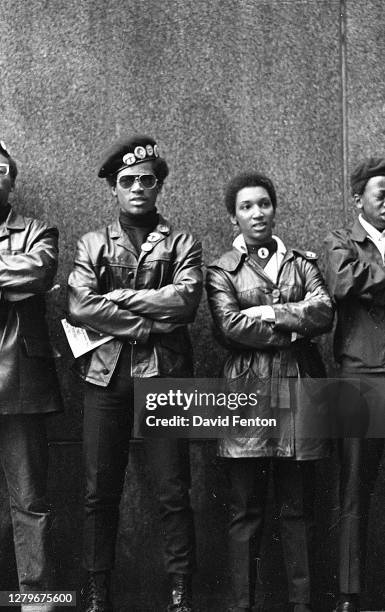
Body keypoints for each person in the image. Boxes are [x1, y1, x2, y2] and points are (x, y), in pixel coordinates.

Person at [67, 135, 202, 612]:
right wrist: (147, 324)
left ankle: (180, 592)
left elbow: (184, 302)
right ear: (114, 188)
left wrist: (117, 300)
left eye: (147, 180)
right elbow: (79, 305)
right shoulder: (91, 242)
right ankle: (96, 591)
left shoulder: (184, 242)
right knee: (98, 492)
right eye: (128, 181)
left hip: (166, 377)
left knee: (173, 490)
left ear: (159, 185)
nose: (138, 188)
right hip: (105, 379)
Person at [206, 171, 333, 612]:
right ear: (233, 218)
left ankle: (302, 606)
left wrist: (266, 311)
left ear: (274, 209)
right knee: (245, 512)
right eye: (246, 207)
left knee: (298, 511)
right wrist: (292, 326)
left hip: (298, 391)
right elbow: (229, 327)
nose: (257, 213)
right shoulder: (222, 270)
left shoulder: (303, 262)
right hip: (247, 396)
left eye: (263, 204)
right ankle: (241, 606)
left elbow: (323, 312)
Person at [0, 141, 61, 611]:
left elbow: (38, 273)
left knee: (29, 498)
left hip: (19, 381)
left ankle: (36, 602)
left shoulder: (38, 231)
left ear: (12, 180)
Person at [325, 157, 385, 612]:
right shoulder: (341, 240)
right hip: (360, 374)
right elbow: (344, 281)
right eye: (382, 193)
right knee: (353, 488)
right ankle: (349, 595)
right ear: (358, 199)